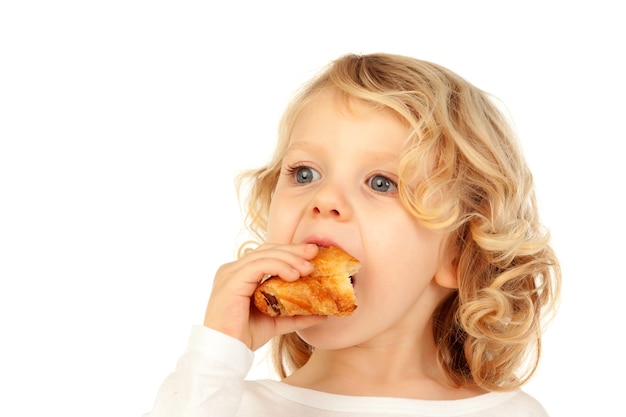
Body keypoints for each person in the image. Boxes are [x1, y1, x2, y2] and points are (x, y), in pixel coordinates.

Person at [144, 53, 561, 416]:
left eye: (381, 182)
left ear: (459, 253)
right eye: (304, 174)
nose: (325, 199)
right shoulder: (222, 405)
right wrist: (218, 353)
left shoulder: (513, 413)